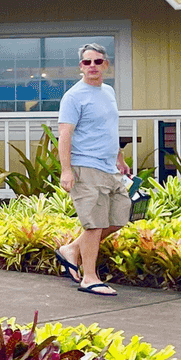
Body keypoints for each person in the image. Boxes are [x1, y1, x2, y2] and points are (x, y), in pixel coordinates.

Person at [55, 43, 128, 296]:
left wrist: (119, 156)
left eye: (97, 62)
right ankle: (89, 277)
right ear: (81, 67)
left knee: (119, 217)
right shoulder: (74, 96)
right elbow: (64, 135)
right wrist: (66, 170)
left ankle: (71, 249)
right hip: (85, 166)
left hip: (109, 167)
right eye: (87, 62)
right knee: (94, 223)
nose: (93, 67)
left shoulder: (108, 91)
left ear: (106, 64)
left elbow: (109, 127)